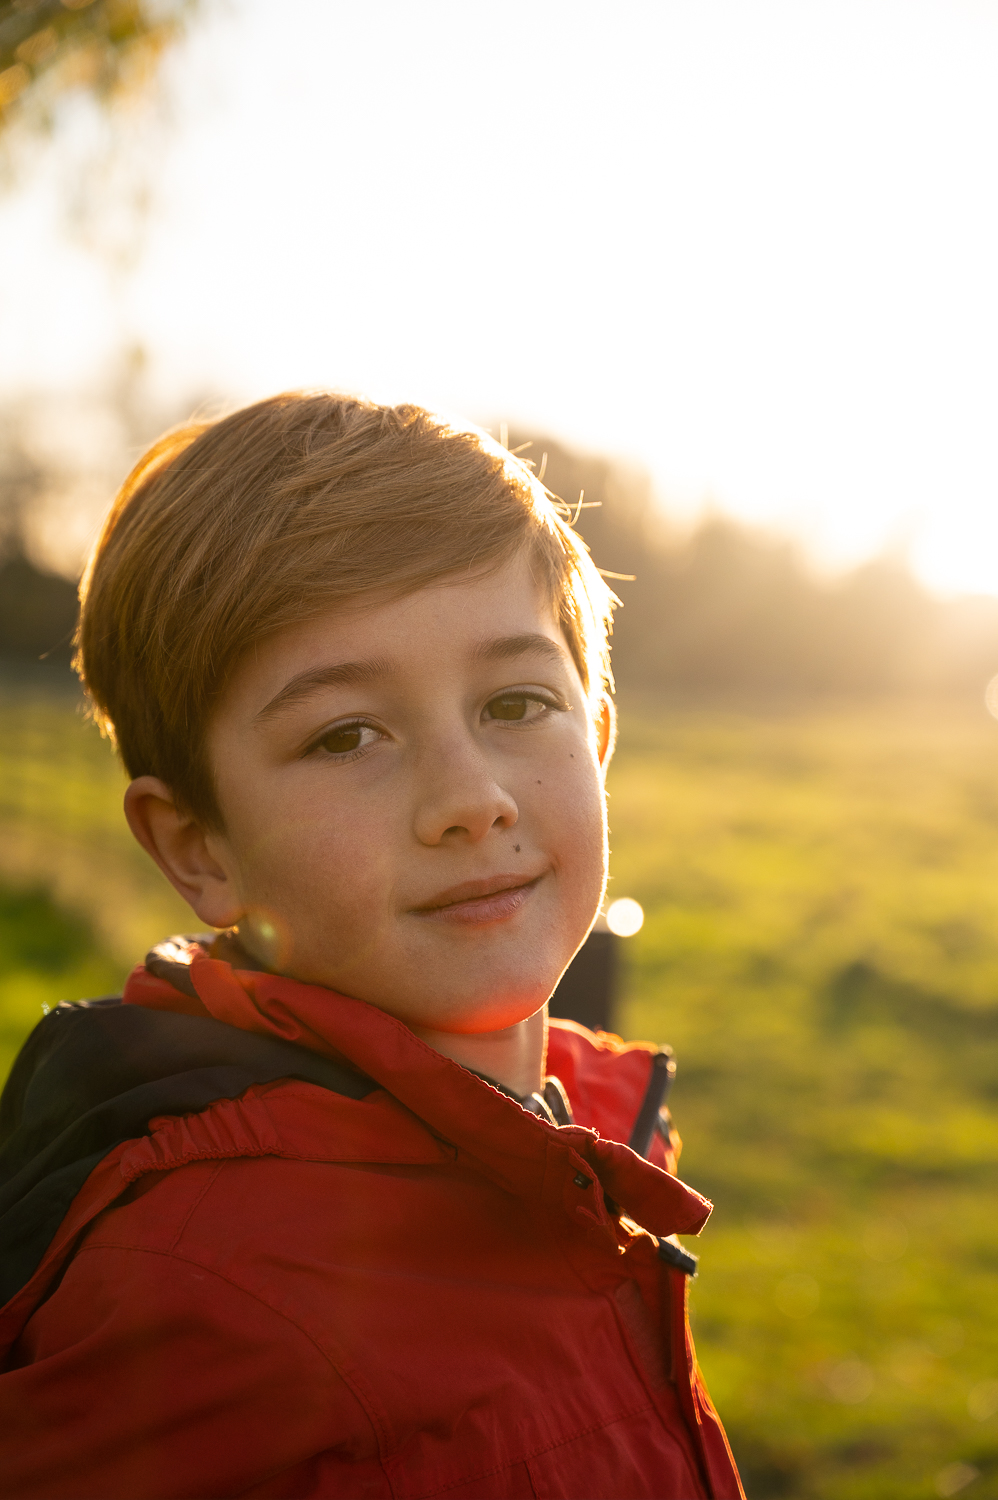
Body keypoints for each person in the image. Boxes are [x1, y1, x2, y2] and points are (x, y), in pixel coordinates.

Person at [0, 393, 744, 1500]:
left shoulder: (579, 1135)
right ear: (198, 845)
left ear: (594, 733)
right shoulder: (201, 1295)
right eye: (347, 735)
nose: (469, 799)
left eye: (513, 702)